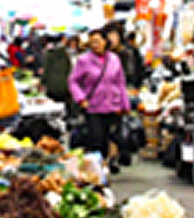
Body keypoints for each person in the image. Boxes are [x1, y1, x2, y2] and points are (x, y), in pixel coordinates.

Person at [68, 28, 130, 174]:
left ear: (105, 41)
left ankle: (106, 164)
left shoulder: (114, 59)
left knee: (113, 137)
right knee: (97, 139)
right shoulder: (84, 60)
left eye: (97, 41)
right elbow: (73, 81)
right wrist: (81, 98)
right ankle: (97, 169)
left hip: (113, 106)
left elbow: (120, 82)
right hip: (93, 107)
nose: (95, 45)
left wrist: (125, 104)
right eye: (92, 42)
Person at [105, 24, 144, 93]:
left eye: (113, 36)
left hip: (129, 90)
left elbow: (132, 75)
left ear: (120, 36)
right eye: (108, 36)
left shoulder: (129, 52)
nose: (111, 39)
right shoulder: (106, 53)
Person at [42, 36, 72, 104]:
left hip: (52, 87)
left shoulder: (49, 54)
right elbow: (69, 69)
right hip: (64, 86)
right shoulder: (66, 54)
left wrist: (42, 82)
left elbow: (46, 71)